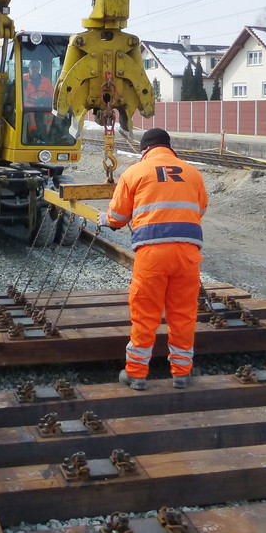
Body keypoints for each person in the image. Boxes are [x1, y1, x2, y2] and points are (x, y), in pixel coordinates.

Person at [98, 128, 208, 390]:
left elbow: (117, 217)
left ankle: (136, 374)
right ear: (169, 148)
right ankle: (181, 373)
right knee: (183, 314)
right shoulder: (192, 173)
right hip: (188, 254)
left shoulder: (135, 172)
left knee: (145, 314)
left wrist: (106, 220)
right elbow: (200, 208)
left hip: (152, 255)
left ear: (144, 150)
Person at [23, 59, 53, 142]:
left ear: (39, 68)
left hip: (43, 107)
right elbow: (20, 95)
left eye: (37, 67)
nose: (35, 69)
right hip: (28, 107)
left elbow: (51, 94)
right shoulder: (23, 79)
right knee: (29, 115)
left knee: (51, 114)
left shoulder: (46, 81)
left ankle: (45, 135)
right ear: (29, 68)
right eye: (33, 67)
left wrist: (44, 100)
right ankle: (33, 132)